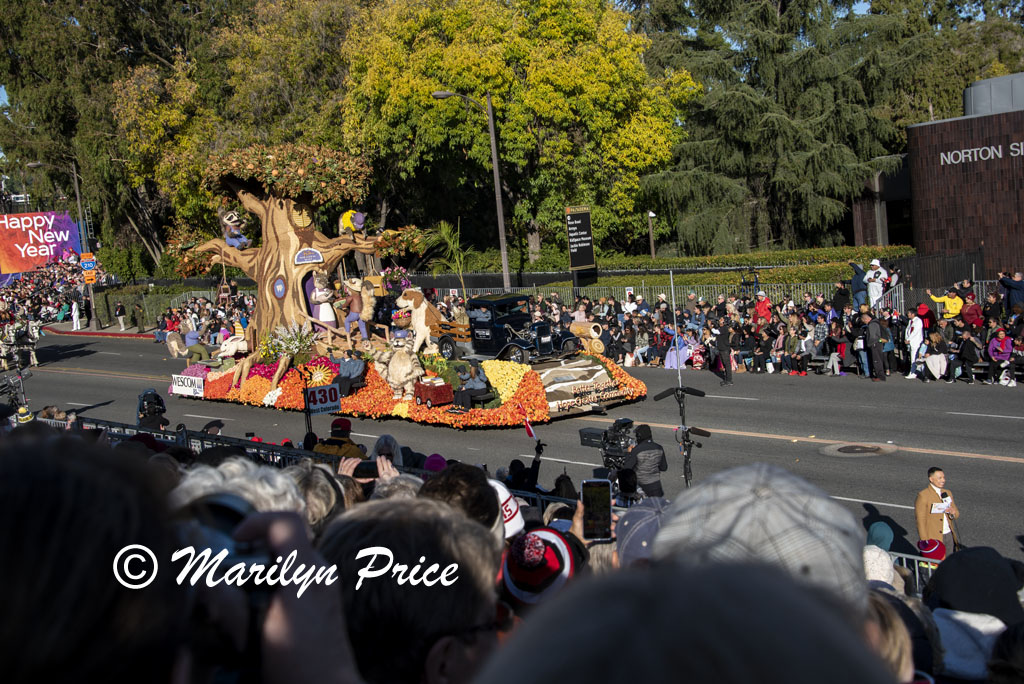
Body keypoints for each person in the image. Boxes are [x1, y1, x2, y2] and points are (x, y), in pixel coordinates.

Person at [914, 466, 960, 553]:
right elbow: (920, 520)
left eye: (943, 477)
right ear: (931, 479)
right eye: (940, 478)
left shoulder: (947, 493)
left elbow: (956, 513)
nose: (943, 480)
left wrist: (953, 512)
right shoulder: (923, 495)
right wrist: (924, 540)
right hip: (933, 536)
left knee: (948, 561)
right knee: (935, 563)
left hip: (948, 534)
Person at [621, 424, 667, 497]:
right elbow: (664, 468)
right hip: (656, 488)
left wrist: (628, 453)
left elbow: (627, 468)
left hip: (641, 488)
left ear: (639, 437)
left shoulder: (637, 450)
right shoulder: (659, 448)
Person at [904, 308, 923, 378]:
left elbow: (915, 331)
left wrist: (909, 339)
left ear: (913, 314)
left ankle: (913, 372)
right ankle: (913, 371)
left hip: (915, 342)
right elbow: (908, 330)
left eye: (909, 313)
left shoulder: (918, 321)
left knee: (914, 358)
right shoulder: (910, 321)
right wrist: (906, 339)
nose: (908, 314)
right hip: (910, 342)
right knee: (911, 357)